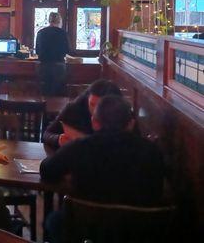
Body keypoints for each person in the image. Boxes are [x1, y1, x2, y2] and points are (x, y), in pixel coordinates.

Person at [40, 95, 165, 243]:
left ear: (94, 122)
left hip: (87, 230)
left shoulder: (80, 147)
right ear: (131, 124)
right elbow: (157, 189)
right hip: (137, 233)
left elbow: (47, 170)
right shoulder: (152, 152)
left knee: (54, 221)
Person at [42, 79, 122, 149]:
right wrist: (58, 139)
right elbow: (47, 134)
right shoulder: (74, 109)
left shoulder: (121, 117)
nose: (95, 110)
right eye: (92, 104)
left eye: (100, 106)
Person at [35, 12, 70, 96]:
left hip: (44, 66)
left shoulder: (41, 32)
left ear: (49, 20)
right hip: (59, 66)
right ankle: (57, 109)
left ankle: (44, 108)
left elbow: (37, 51)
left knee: (45, 92)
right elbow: (67, 50)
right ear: (59, 21)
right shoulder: (63, 33)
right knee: (58, 93)